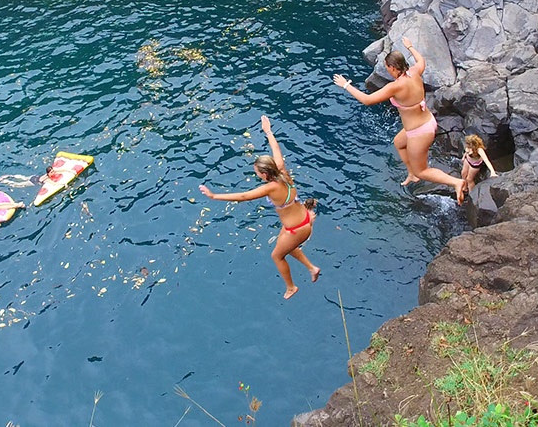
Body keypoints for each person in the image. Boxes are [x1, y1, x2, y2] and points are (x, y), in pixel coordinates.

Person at [199, 115, 321, 300]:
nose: (256, 175)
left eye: (257, 173)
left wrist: (214, 195)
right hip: (304, 218)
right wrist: (268, 131)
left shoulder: (270, 188)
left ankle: (291, 287)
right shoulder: (282, 171)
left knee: (277, 256)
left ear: (264, 174)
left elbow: (243, 196)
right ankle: (312, 268)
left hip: (296, 229)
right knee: (286, 245)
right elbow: (277, 149)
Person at [333, 37, 466, 204]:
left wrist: (346, 85)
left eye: (388, 68)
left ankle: (456, 182)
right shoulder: (415, 72)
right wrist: (410, 47)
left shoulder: (396, 86)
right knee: (399, 142)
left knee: (423, 171)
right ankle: (411, 173)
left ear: (394, 68)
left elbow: (367, 100)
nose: (387, 71)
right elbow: (421, 60)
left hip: (420, 132)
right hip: (426, 121)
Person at [0, 165, 67, 188]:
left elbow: (59, 169)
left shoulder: (48, 173)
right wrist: (63, 184)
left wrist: (69, 171)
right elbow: (54, 184)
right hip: (33, 181)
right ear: (48, 173)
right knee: (19, 184)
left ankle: (9, 176)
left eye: (53, 171)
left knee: (23, 177)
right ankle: (5, 181)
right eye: (52, 172)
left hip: (34, 176)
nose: (54, 172)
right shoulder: (47, 179)